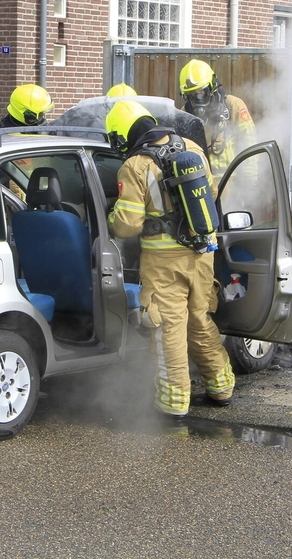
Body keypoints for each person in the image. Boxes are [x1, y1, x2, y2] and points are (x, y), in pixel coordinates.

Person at [105, 99, 235, 419]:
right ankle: (221, 386)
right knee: (200, 318)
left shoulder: (135, 165)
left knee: (169, 328)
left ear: (122, 135)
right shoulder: (191, 147)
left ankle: (173, 403)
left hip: (164, 262)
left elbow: (128, 225)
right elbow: (211, 194)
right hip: (203, 252)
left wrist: (111, 216)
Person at [178, 58, 257, 180]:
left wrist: (250, 179)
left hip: (231, 181)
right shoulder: (185, 115)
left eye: (201, 92)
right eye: (192, 94)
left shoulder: (232, 105)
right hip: (201, 183)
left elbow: (249, 141)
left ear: (212, 87)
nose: (198, 99)